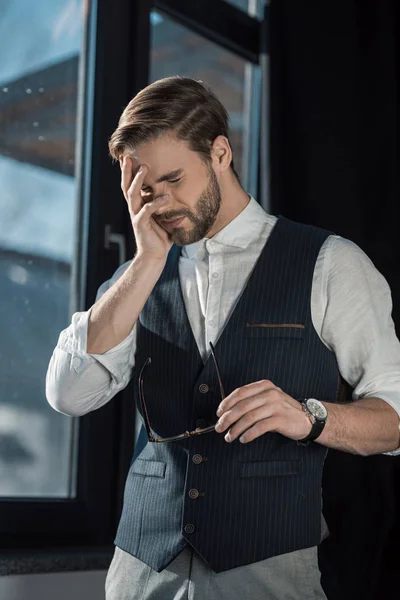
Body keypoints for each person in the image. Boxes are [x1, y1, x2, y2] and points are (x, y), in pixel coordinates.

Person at [46, 76, 400, 600]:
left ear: (219, 153)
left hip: (270, 571)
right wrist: (146, 263)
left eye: (173, 178)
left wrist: (311, 418)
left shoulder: (330, 263)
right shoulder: (131, 283)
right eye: (144, 189)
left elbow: (395, 419)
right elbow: (68, 396)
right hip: (141, 572)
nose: (160, 203)